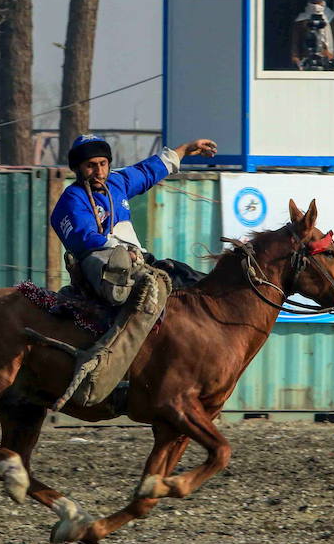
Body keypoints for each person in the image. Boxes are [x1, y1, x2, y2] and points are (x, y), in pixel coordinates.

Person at [49, 133, 218, 409]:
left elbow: (147, 170)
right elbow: (82, 236)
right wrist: (119, 247)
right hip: (101, 266)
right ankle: (117, 373)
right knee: (141, 291)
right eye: (91, 165)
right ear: (78, 168)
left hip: (136, 260)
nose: (98, 171)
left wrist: (185, 149)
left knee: (185, 277)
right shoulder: (71, 200)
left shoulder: (116, 182)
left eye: (103, 163)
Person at [289, 0, 334, 70]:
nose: (317, 6)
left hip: (330, 59)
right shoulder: (301, 20)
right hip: (308, 61)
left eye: (319, 2)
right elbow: (295, 42)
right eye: (314, 2)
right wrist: (296, 59)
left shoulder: (332, 18)